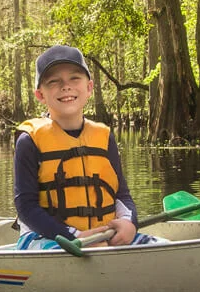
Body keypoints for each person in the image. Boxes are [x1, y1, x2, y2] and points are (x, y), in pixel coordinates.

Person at [13, 45, 154, 250]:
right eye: (54, 81)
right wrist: (75, 236)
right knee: (92, 252)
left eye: (74, 78)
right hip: (45, 236)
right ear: (40, 95)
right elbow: (26, 207)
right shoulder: (29, 141)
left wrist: (128, 223)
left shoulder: (104, 137)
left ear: (89, 88)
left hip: (102, 234)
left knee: (160, 245)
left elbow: (121, 195)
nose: (66, 86)